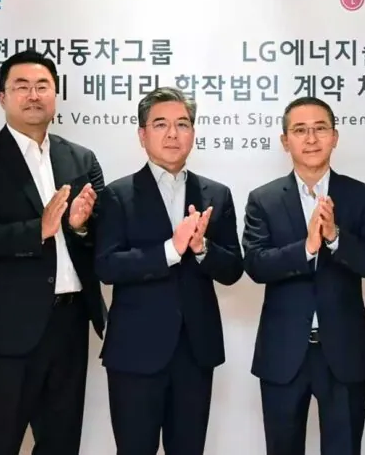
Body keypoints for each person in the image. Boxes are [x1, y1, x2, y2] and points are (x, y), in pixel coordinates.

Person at [0, 50, 107, 455]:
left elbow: (102, 238)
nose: (33, 95)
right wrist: (36, 230)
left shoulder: (81, 159)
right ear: (2, 97)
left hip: (70, 321)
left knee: (61, 442)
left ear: (55, 95)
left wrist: (80, 225)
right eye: (21, 87)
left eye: (42, 86)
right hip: (8, 327)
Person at [94, 86, 244, 455]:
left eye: (182, 124)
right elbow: (107, 266)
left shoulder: (216, 194)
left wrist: (202, 248)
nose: (173, 134)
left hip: (195, 351)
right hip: (135, 352)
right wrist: (169, 251)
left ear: (193, 132)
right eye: (160, 124)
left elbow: (232, 269)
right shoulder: (117, 195)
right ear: (142, 134)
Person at [241, 96, 365, 455]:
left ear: (335, 137)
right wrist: (306, 248)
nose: (311, 139)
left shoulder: (362, 196)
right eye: (300, 130)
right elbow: (256, 265)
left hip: (345, 352)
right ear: (284, 140)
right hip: (283, 352)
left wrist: (335, 238)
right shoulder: (263, 199)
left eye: (320, 129)